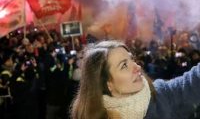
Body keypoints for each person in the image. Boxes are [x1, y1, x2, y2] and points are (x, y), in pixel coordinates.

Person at [71, 40, 200, 119]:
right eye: (124, 65)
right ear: (108, 84)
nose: (137, 67)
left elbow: (193, 81)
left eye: (131, 59)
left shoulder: (161, 96)